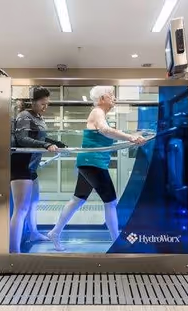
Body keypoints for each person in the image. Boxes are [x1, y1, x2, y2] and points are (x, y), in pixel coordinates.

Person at [47, 86, 146, 251]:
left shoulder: (101, 114)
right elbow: (105, 130)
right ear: (101, 99)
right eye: (111, 95)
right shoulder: (98, 112)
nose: (114, 98)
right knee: (111, 202)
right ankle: (117, 242)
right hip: (93, 163)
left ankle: (55, 232)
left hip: (89, 162)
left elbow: (106, 136)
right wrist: (131, 137)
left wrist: (133, 139)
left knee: (77, 200)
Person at [10, 86, 67, 253]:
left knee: (34, 202)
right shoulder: (24, 116)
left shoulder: (38, 117)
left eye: (47, 103)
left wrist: (56, 142)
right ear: (31, 102)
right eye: (43, 103)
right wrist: (46, 145)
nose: (45, 107)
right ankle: (14, 252)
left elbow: (39, 136)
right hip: (21, 165)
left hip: (31, 166)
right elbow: (22, 139)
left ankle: (33, 233)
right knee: (21, 209)